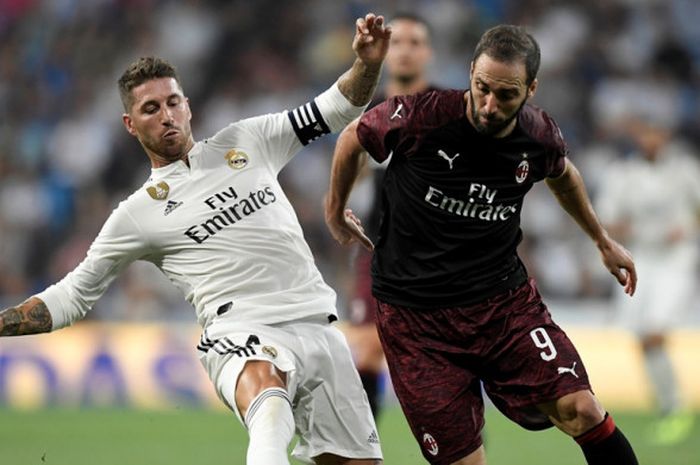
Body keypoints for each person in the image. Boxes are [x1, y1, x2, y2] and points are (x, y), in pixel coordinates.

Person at [0, 13, 390, 465]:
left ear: (188, 106)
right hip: (241, 331)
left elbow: (338, 108)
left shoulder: (249, 140)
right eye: (151, 109)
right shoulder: (136, 214)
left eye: (172, 102)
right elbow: (72, 296)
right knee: (268, 397)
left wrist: (368, 64)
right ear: (131, 124)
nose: (166, 116)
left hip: (320, 325)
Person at [325, 24, 640, 465]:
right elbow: (352, 137)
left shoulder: (539, 136)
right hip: (416, 323)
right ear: (471, 72)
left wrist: (602, 241)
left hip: (502, 307)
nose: (490, 105)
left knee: (582, 408)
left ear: (531, 89)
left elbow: (562, 174)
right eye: (482, 88)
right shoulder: (420, 116)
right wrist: (336, 208)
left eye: (506, 95)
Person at [343, 12, 437, 419]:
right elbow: (351, 171)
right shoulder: (368, 113)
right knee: (366, 348)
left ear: (427, 52)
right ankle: (362, 452)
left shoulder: (447, 112)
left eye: (415, 42)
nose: (404, 51)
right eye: (396, 42)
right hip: (379, 248)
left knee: (439, 360)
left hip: (437, 253)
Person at [596, 116, 699, 445]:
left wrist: (688, 228)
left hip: (676, 260)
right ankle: (667, 405)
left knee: (655, 333)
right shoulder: (622, 174)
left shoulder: (684, 170)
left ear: (666, 134)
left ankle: (675, 409)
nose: (651, 139)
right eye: (645, 132)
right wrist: (632, 230)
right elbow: (607, 220)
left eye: (656, 132)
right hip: (641, 261)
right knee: (642, 338)